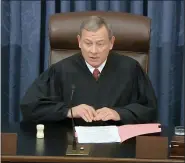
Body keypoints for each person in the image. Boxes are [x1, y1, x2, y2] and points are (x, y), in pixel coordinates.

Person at [20, 16, 157, 126]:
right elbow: (30, 106)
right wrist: (68, 111)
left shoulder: (130, 69)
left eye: (100, 43)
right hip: (70, 145)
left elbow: (149, 109)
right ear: (79, 41)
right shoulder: (61, 70)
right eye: (88, 43)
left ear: (111, 43)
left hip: (119, 146)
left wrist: (119, 113)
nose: (93, 51)